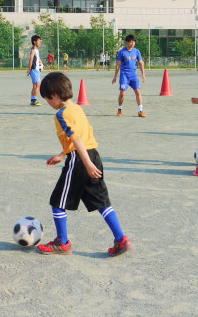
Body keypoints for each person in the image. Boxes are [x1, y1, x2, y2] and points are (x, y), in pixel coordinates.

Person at [37, 72, 133, 256]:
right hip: (93, 155)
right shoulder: (78, 109)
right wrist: (62, 154)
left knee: (57, 201)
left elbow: (76, 138)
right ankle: (121, 239)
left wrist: (85, 163)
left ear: (55, 96)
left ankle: (62, 243)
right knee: (101, 202)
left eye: (47, 99)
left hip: (81, 161)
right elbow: (82, 138)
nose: (48, 103)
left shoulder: (61, 114)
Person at [112, 35, 146, 117]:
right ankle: (119, 109)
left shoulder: (137, 51)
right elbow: (118, 64)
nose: (132, 43)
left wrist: (143, 75)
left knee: (138, 92)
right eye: (131, 42)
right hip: (124, 75)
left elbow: (141, 63)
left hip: (134, 75)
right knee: (122, 94)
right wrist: (115, 76)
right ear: (127, 42)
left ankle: (140, 111)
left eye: (134, 42)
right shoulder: (122, 52)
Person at [26, 35, 44, 106]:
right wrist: (29, 69)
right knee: (37, 85)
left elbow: (38, 58)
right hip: (34, 70)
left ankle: (33, 100)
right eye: (39, 41)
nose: (40, 43)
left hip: (36, 70)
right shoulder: (33, 50)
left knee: (35, 85)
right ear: (34, 42)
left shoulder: (36, 50)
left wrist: (41, 64)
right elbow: (31, 60)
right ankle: (34, 101)